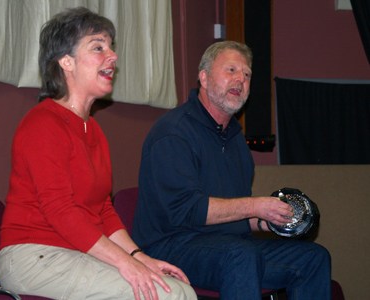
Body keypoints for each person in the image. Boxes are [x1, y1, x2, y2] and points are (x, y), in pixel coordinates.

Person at [0, 7, 196, 300]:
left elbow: (102, 210)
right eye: (98, 47)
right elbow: (60, 211)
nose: (112, 56)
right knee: (170, 296)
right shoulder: (42, 123)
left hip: (73, 251)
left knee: (177, 289)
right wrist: (125, 263)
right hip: (32, 257)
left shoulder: (94, 131)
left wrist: (140, 257)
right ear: (66, 61)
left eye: (111, 47)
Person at [132, 41, 331, 299]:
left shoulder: (235, 139)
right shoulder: (173, 133)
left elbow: (231, 212)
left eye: (247, 75)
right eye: (231, 70)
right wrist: (255, 206)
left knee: (313, 258)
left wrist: (269, 220)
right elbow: (187, 210)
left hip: (228, 246)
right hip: (172, 246)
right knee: (240, 254)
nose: (240, 80)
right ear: (204, 78)